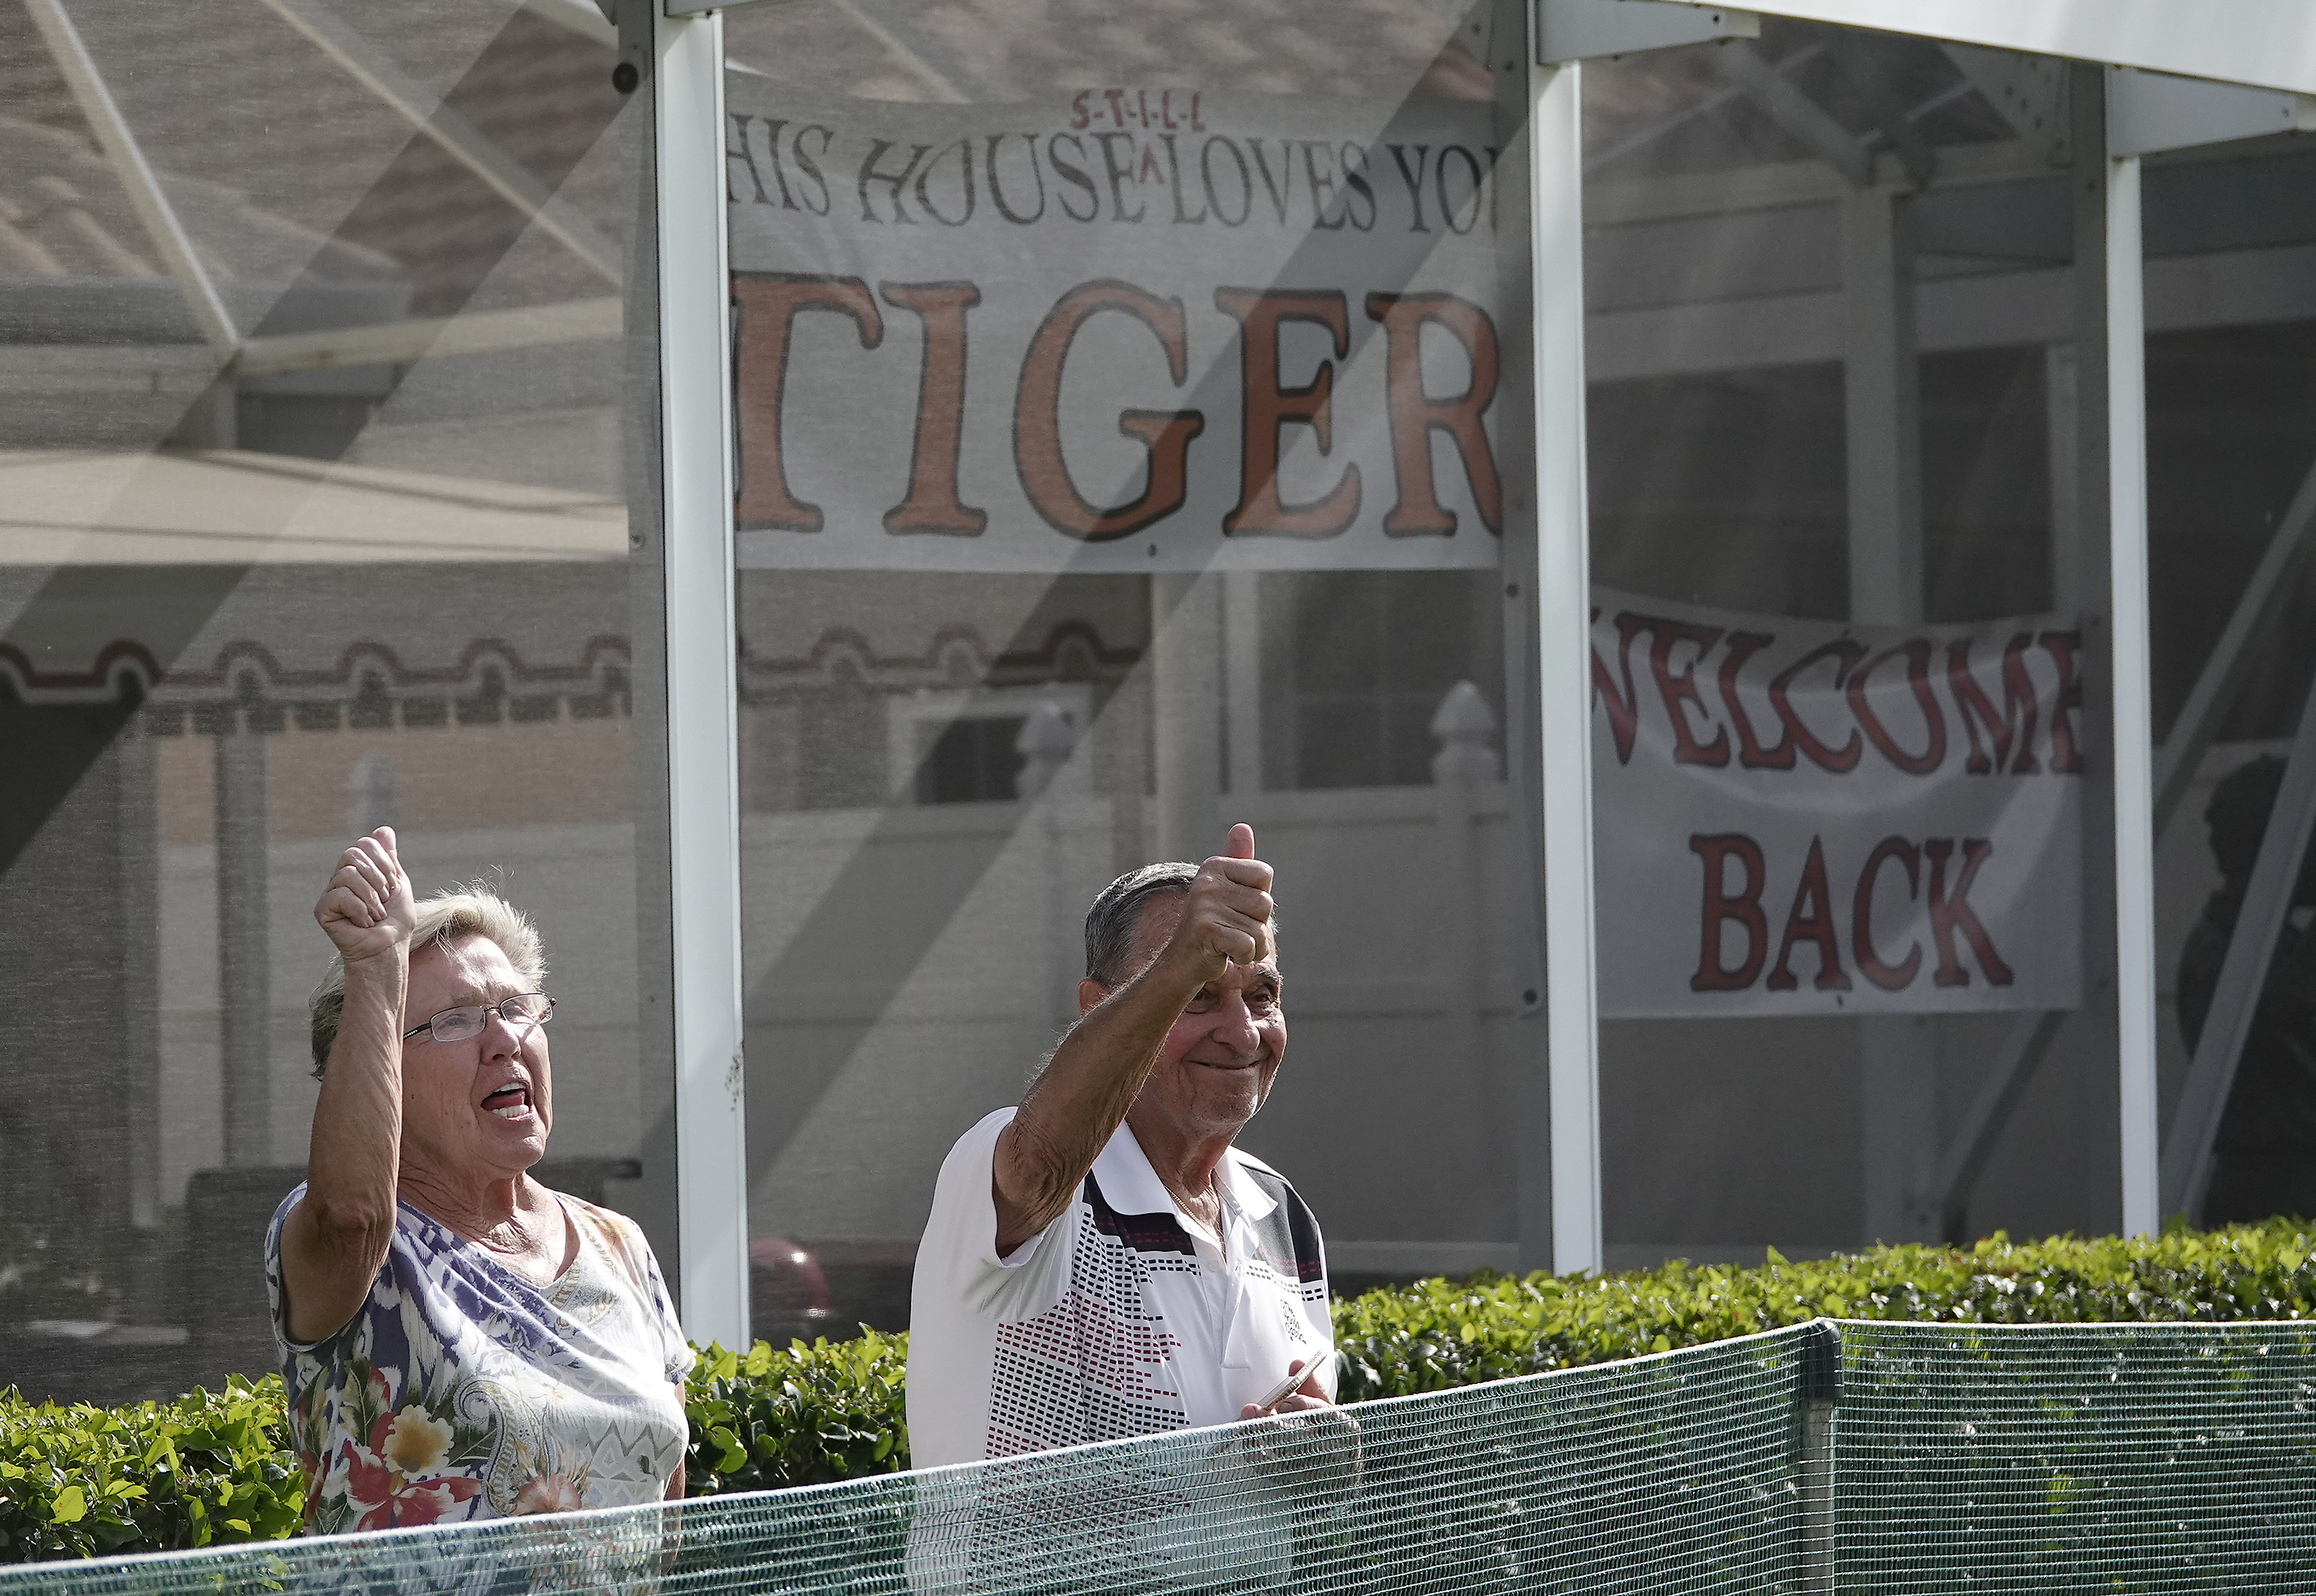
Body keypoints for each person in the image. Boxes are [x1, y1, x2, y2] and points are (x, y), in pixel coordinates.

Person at [265, 827, 692, 1534]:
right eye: (455, 1021)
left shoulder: (619, 1244)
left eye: (518, 1008)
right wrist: (376, 967)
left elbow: (667, 1498)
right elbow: (349, 1216)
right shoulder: (363, 1246)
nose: (505, 1040)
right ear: (381, 1077)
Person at [907, 823, 1335, 1468]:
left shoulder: (1281, 1210)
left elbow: (1308, 1422)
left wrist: (1323, 1455)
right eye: (1198, 996)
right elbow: (1042, 1162)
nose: (1243, 1033)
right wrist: (1179, 965)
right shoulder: (1025, 1166)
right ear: (1094, 1010)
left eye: (1262, 995)